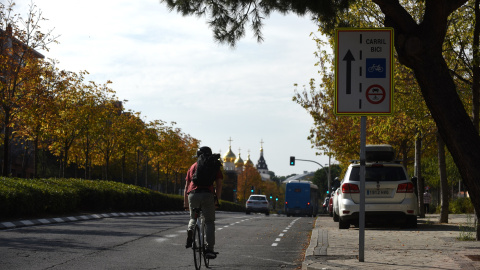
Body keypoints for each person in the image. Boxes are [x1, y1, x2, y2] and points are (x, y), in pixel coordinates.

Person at [184, 146, 222, 259]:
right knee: (209, 222)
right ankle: (209, 249)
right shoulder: (214, 165)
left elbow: (187, 186)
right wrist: (217, 200)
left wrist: (185, 203)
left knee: (193, 218)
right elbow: (219, 185)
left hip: (193, 195)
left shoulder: (193, 167)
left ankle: (191, 229)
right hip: (207, 194)